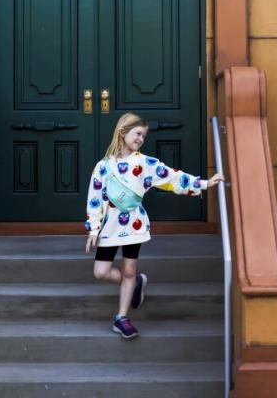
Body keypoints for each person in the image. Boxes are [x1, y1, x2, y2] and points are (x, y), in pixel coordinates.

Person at [84, 113, 223, 339]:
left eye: (143, 136)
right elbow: (95, 197)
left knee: (129, 269)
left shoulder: (145, 163)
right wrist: (93, 227)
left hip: (134, 224)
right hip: (109, 228)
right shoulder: (103, 167)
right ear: (123, 132)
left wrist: (205, 183)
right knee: (101, 272)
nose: (141, 139)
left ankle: (122, 317)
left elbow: (172, 178)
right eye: (137, 134)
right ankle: (137, 282)